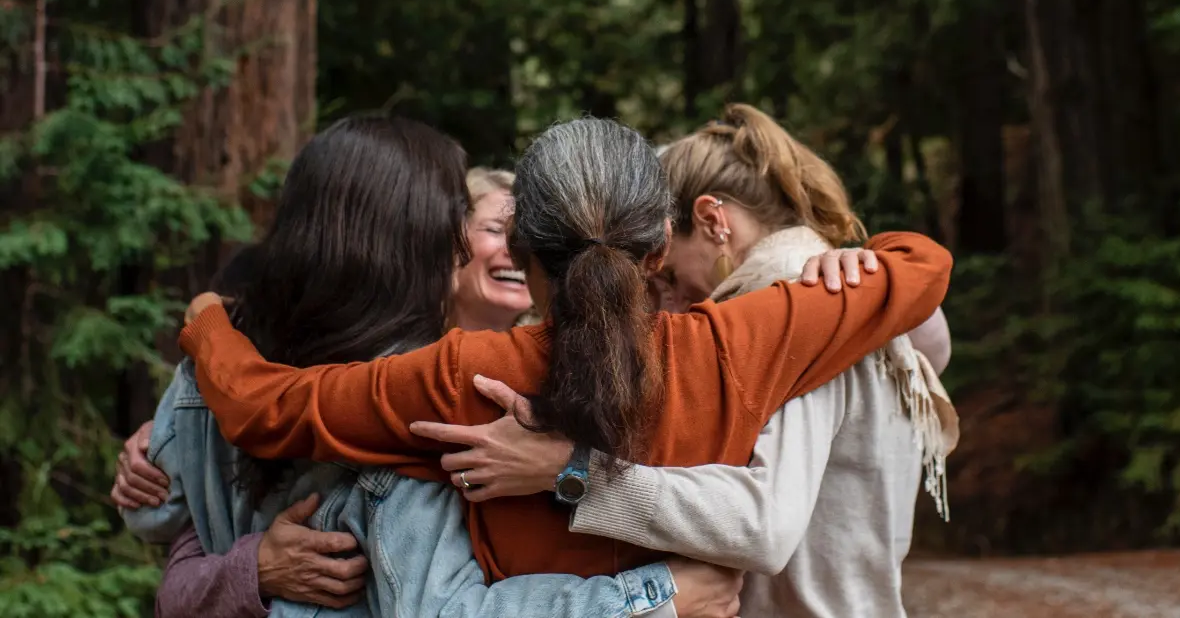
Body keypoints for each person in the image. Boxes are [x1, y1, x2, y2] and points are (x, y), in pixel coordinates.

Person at [174, 116, 954, 582]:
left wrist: (209, 318)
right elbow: (927, 266)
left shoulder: (464, 374)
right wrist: (857, 257)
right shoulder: (749, 338)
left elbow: (261, 409)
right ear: (657, 246)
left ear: (518, 241)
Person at [112, 116, 740, 618]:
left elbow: (157, 515)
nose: (465, 244)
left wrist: (238, 567)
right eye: (457, 222)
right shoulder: (421, 397)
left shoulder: (217, 358)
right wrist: (657, 597)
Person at [409, 104, 961, 616]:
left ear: (713, 219)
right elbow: (935, 343)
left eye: (668, 274)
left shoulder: (795, 299)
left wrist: (570, 472)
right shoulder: (840, 292)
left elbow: (765, 523)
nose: (665, 299)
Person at [451, 168, 536, 331]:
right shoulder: (400, 350)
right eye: (495, 230)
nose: (517, 249)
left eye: (530, 237)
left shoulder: (564, 354)